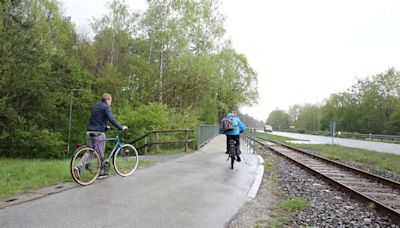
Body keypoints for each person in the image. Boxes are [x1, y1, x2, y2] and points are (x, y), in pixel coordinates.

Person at [74, 93, 127, 178]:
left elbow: (96, 119)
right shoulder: (106, 107)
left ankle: (78, 167)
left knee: (90, 152)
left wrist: (105, 126)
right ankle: (101, 172)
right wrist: (121, 127)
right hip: (98, 133)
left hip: (89, 131)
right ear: (108, 100)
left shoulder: (95, 106)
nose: (110, 103)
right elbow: (111, 118)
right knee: (100, 154)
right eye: (110, 101)